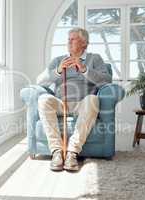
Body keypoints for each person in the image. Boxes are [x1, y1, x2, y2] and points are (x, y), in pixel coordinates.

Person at [36, 27, 112, 171]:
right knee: (43, 99)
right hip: (61, 103)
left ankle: (72, 152)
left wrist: (84, 69)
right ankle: (57, 151)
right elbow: (39, 81)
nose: (69, 42)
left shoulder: (94, 59)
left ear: (84, 43)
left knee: (93, 100)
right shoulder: (58, 60)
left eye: (73, 39)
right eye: (68, 39)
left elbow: (106, 80)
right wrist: (58, 71)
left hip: (82, 104)